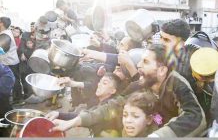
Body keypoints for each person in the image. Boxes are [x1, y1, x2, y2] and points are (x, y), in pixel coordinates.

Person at [47, 44, 206, 137]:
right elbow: (112, 106)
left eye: (145, 62)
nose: (138, 66)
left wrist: (156, 137)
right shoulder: (141, 85)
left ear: (162, 70)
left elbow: (195, 117)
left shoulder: (177, 83)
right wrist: (72, 121)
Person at [46, 73, 122, 137]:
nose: (99, 85)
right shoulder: (99, 102)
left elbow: (93, 116)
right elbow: (83, 115)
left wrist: (69, 123)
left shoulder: (113, 106)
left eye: (104, 83)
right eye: (100, 82)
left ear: (113, 91)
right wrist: (59, 114)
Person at [0, 17, 22, 104]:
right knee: (14, 80)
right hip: (9, 62)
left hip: (10, 62)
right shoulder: (5, 33)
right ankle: (17, 98)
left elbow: (1, 49)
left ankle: (18, 99)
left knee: (14, 81)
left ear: (1, 23)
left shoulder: (5, 35)